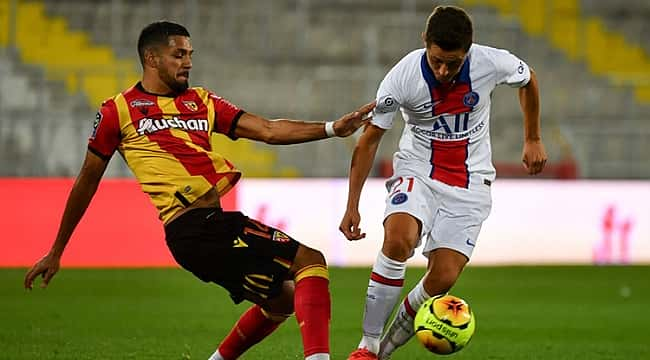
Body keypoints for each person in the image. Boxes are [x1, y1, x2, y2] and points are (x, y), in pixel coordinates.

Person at [23, 21, 375, 360]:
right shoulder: (118, 110)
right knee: (310, 261)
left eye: (190, 53)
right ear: (151, 58)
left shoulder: (201, 101)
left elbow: (267, 130)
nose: (188, 62)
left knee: (282, 300)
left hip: (208, 227)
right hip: (194, 226)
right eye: (178, 54)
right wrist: (57, 250)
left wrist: (332, 128)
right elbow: (88, 179)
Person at [339, 5, 547, 360]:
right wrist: (352, 205)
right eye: (437, 60)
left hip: (471, 182)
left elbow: (527, 79)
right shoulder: (402, 77)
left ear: (469, 49)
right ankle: (367, 345)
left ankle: (383, 353)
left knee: (444, 277)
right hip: (418, 170)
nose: (444, 70)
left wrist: (532, 137)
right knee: (399, 239)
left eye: (453, 62)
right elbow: (369, 139)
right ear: (425, 43)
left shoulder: (491, 62)